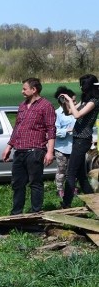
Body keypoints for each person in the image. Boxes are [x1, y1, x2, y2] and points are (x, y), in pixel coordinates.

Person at [2, 77, 56, 214]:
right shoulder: (22, 106)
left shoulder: (46, 106)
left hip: (35, 150)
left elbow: (51, 130)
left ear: (34, 89)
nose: (22, 91)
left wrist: (50, 152)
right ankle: (16, 214)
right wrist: (9, 146)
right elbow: (17, 128)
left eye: (24, 89)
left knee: (35, 183)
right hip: (19, 150)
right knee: (17, 183)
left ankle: (36, 213)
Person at [59, 74, 98, 208]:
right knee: (81, 175)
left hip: (83, 139)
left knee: (71, 173)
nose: (81, 87)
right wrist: (64, 103)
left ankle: (66, 203)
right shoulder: (86, 100)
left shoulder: (94, 101)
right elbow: (69, 112)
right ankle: (93, 203)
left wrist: (70, 100)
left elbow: (77, 115)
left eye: (83, 84)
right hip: (77, 139)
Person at [52, 86, 77, 199]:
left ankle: (72, 188)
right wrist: (67, 130)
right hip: (61, 147)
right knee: (61, 169)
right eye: (73, 100)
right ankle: (60, 189)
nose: (75, 102)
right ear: (65, 100)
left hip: (75, 146)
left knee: (73, 169)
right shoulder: (57, 113)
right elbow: (54, 131)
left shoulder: (76, 112)